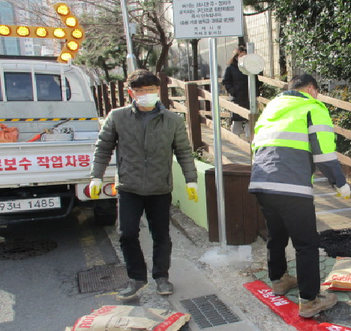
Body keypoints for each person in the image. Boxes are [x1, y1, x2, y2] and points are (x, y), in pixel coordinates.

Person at [89, 69, 199, 300]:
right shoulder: (117, 117)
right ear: (131, 93)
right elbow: (103, 147)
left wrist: (191, 180)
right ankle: (136, 278)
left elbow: (184, 152)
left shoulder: (172, 120)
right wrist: (96, 176)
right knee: (127, 233)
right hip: (129, 187)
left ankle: (161, 277)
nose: (146, 94)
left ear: (158, 91)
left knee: (161, 235)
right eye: (140, 91)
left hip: (160, 188)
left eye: (150, 90)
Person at [249, 73, 351, 318]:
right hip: (292, 187)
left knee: (276, 235)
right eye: (317, 91)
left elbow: (255, 146)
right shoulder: (312, 107)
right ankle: (309, 300)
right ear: (310, 89)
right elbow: (324, 153)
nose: (318, 95)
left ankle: (279, 280)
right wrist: (340, 183)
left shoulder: (271, 109)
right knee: (306, 244)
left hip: (261, 183)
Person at [222, 44, 256, 139]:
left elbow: (257, 80)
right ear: (236, 56)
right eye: (241, 56)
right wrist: (233, 91)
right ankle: (235, 140)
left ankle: (249, 140)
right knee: (237, 120)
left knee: (250, 120)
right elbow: (226, 81)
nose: (243, 58)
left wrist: (256, 92)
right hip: (237, 97)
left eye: (245, 56)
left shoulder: (250, 67)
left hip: (249, 97)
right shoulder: (231, 68)